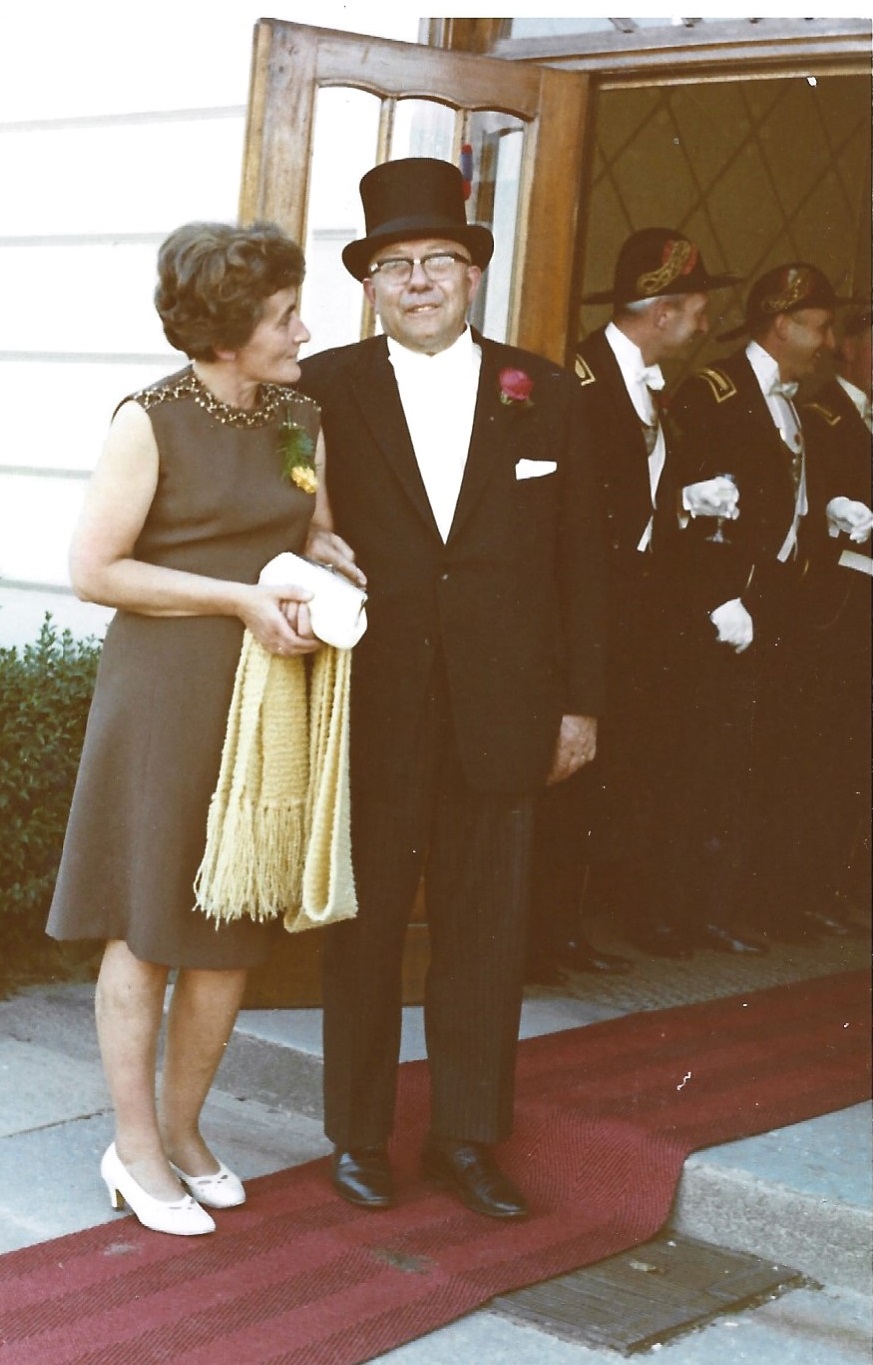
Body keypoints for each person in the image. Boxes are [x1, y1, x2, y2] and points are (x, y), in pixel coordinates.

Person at [297, 158, 605, 1220]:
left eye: (439, 259)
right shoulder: (320, 388)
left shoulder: (544, 390)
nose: (418, 279)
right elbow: (283, 511)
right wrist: (307, 541)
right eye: (395, 264)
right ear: (370, 283)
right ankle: (358, 1137)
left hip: (503, 707)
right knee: (366, 927)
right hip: (370, 702)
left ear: (473, 274)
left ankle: (467, 1138)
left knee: (484, 931)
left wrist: (580, 706)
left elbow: (583, 560)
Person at [46, 221, 361, 1236]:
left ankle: (183, 1131)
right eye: (284, 316)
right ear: (226, 334)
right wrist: (235, 600)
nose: (304, 331)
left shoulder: (300, 417)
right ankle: (134, 1147)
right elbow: (95, 570)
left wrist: (328, 555)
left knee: (229, 927)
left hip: (264, 694)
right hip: (166, 694)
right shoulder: (150, 420)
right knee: (148, 927)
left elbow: (311, 524)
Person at [529, 227, 743, 976]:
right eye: (696, 310)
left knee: (605, 773)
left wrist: (682, 503)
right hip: (580, 608)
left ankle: (563, 929)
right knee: (564, 771)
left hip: (636, 611)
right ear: (661, 312)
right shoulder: (579, 377)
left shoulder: (651, 386)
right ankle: (539, 936)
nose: (705, 324)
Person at [668, 263, 871, 944]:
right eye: (817, 328)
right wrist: (719, 596)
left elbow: (785, 502)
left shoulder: (788, 400)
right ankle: (678, 912)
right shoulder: (716, 390)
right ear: (782, 325)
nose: (826, 343)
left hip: (778, 601)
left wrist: (826, 517)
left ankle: (722, 908)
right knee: (704, 757)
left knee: (754, 755)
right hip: (727, 606)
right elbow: (690, 504)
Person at [797, 307, 872, 925]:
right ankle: (811, 888)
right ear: (848, 346)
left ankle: (843, 884)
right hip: (840, 603)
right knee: (827, 748)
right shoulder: (820, 413)